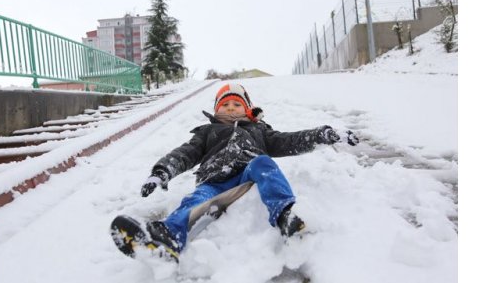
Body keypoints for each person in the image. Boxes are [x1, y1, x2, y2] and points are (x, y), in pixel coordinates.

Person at [117, 83, 359, 257]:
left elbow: (290, 141)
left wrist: (323, 134)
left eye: (237, 104)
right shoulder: (206, 132)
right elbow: (184, 154)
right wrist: (161, 172)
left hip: (248, 175)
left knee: (263, 163)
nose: (231, 108)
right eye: (225, 105)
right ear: (216, 110)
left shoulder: (260, 131)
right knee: (194, 200)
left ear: (247, 109)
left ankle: (285, 214)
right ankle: (169, 235)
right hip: (213, 182)